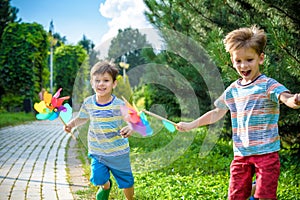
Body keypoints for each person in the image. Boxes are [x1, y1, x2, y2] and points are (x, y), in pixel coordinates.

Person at [177, 25, 300, 200]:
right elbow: (217, 112)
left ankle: (257, 189)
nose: (243, 65)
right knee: (235, 195)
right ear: (232, 61)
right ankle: (252, 189)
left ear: (261, 58)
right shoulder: (233, 89)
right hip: (241, 155)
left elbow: (285, 97)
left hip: (266, 154)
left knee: (265, 196)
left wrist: (294, 100)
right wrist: (191, 125)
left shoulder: (267, 84)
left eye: (249, 59)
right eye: (238, 61)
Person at [64, 61, 134, 200]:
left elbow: (132, 121)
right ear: (92, 83)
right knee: (98, 179)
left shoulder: (119, 104)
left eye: (106, 80)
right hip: (98, 151)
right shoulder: (89, 102)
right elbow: (82, 117)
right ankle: (106, 186)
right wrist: (71, 124)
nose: (101, 84)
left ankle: (130, 199)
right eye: (97, 80)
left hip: (118, 151)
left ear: (114, 84)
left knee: (127, 183)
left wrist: (130, 127)